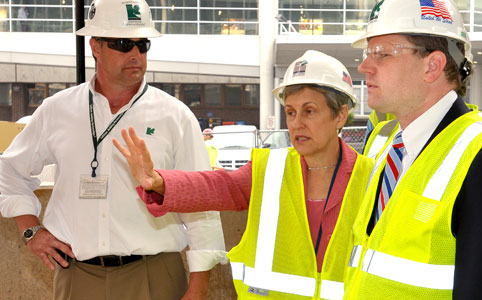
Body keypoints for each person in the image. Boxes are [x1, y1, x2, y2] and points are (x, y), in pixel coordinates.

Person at [0, 0, 225, 299]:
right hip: (77, 278)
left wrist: (198, 288)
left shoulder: (175, 116)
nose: (135, 54)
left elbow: (201, 204)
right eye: (123, 44)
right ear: (95, 46)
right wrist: (30, 230)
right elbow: (9, 173)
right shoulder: (57, 110)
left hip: (154, 277)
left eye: (142, 45)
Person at [113, 50, 374, 299]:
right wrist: (159, 182)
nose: (296, 123)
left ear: (340, 115)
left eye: (309, 111)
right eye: (291, 112)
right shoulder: (270, 169)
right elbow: (216, 186)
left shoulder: (372, 177)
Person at [343, 0, 482, 299]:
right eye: (368, 53)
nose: (364, 66)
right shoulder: (389, 148)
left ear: (433, 66)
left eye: (382, 53)